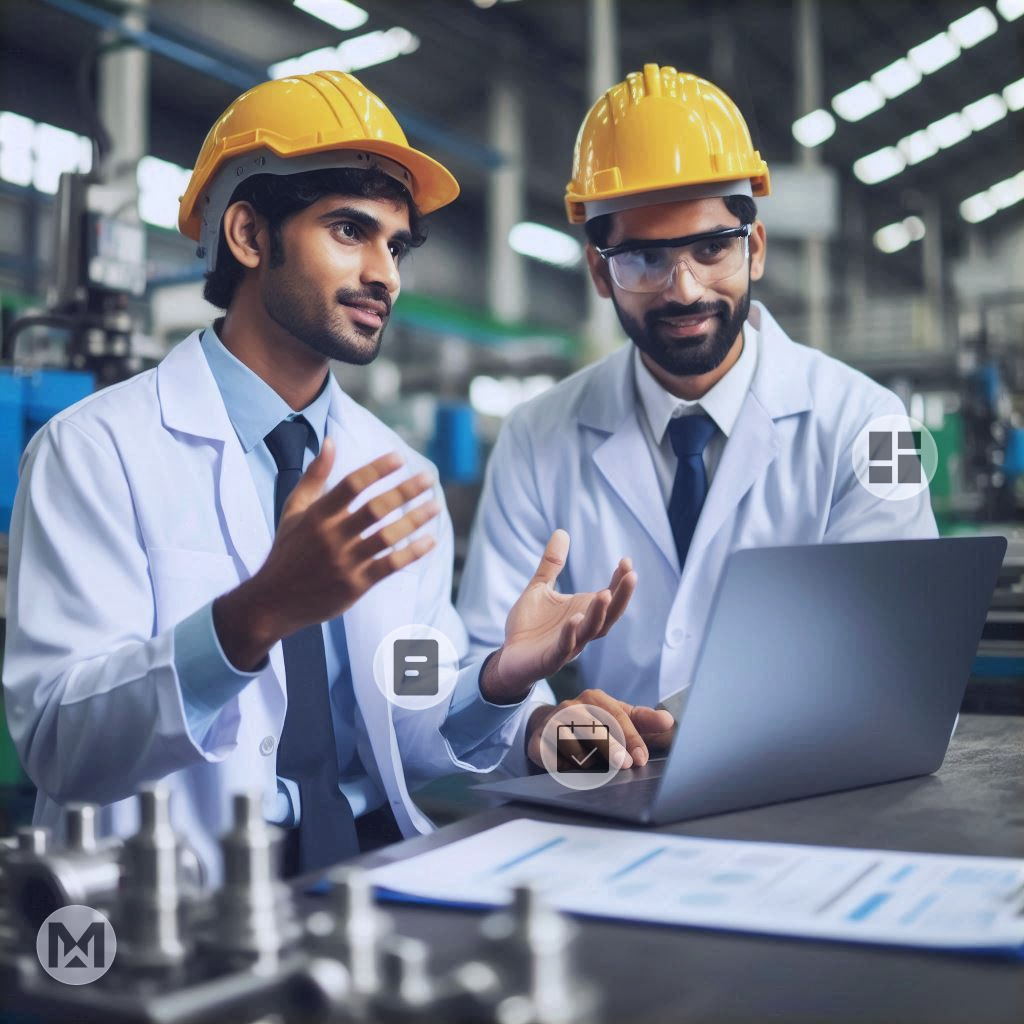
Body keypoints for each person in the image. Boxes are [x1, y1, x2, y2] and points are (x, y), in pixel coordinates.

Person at [2, 71, 636, 881]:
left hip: (372, 864)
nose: (387, 274)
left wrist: (496, 682)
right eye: (350, 231)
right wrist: (253, 617)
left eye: (396, 245)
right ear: (248, 235)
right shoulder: (95, 452)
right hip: (184, 884)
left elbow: (411, 699)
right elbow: (59, 743)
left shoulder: (397, 474)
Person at [458, 64, 937, 773]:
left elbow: (902, 655)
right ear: (599, 273)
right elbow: (478, 668)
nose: (684, 289)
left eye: (712, 248)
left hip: (810, 791)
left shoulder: (875, 423)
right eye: (644, 257)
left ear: (757, 248)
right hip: (613, 793)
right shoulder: (536, 437)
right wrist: (555, 729)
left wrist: (732, 729)